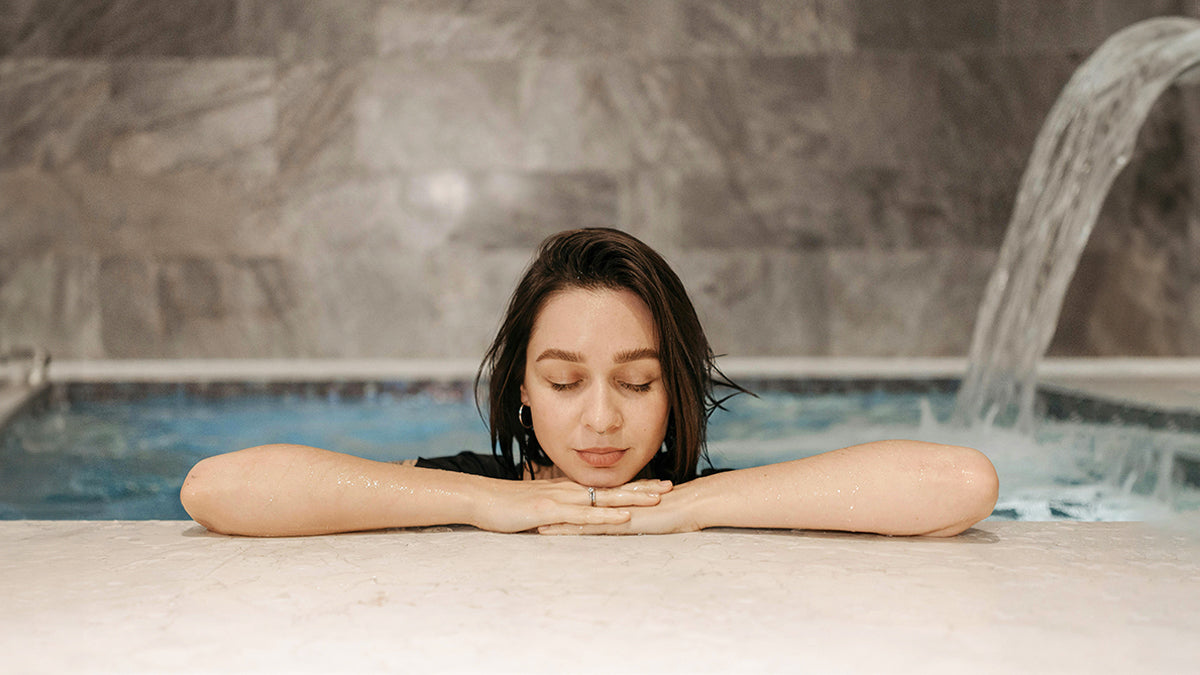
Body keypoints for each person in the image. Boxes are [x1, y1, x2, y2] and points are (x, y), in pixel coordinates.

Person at [181, 228, 998, 537]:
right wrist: (485, 500)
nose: (601, 419)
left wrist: (692, 504)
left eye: (638, 383)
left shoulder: (698, 498)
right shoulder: (478, 488)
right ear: (523, 389)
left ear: (675, 388)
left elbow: (961, 482)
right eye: (565, 381)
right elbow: (217, 488)